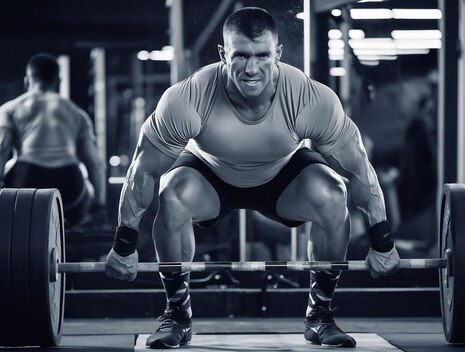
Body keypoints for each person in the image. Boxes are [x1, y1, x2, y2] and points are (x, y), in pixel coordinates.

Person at [105, 7, 400, 349]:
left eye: (262, 55)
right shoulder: (188, 98)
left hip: (281, 175)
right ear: (223, 54)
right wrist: (124, 245)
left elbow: (358, 168)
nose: (251, 68)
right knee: (172, 192)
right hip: (210, 174)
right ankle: (177, 315)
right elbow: (144, 169)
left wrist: (382, 241)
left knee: (333, 192)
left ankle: (319, 315)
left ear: (278, 53)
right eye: (241, 55)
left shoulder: (309, 98)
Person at [0, 53, 106, 226]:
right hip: (70, 185)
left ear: (27, 81)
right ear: (58, 81)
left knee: (9, 169)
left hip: (27, 180)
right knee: (84, 192)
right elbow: (95, 164)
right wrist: (99, 207)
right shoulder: (77, 114)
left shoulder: (9, 109)